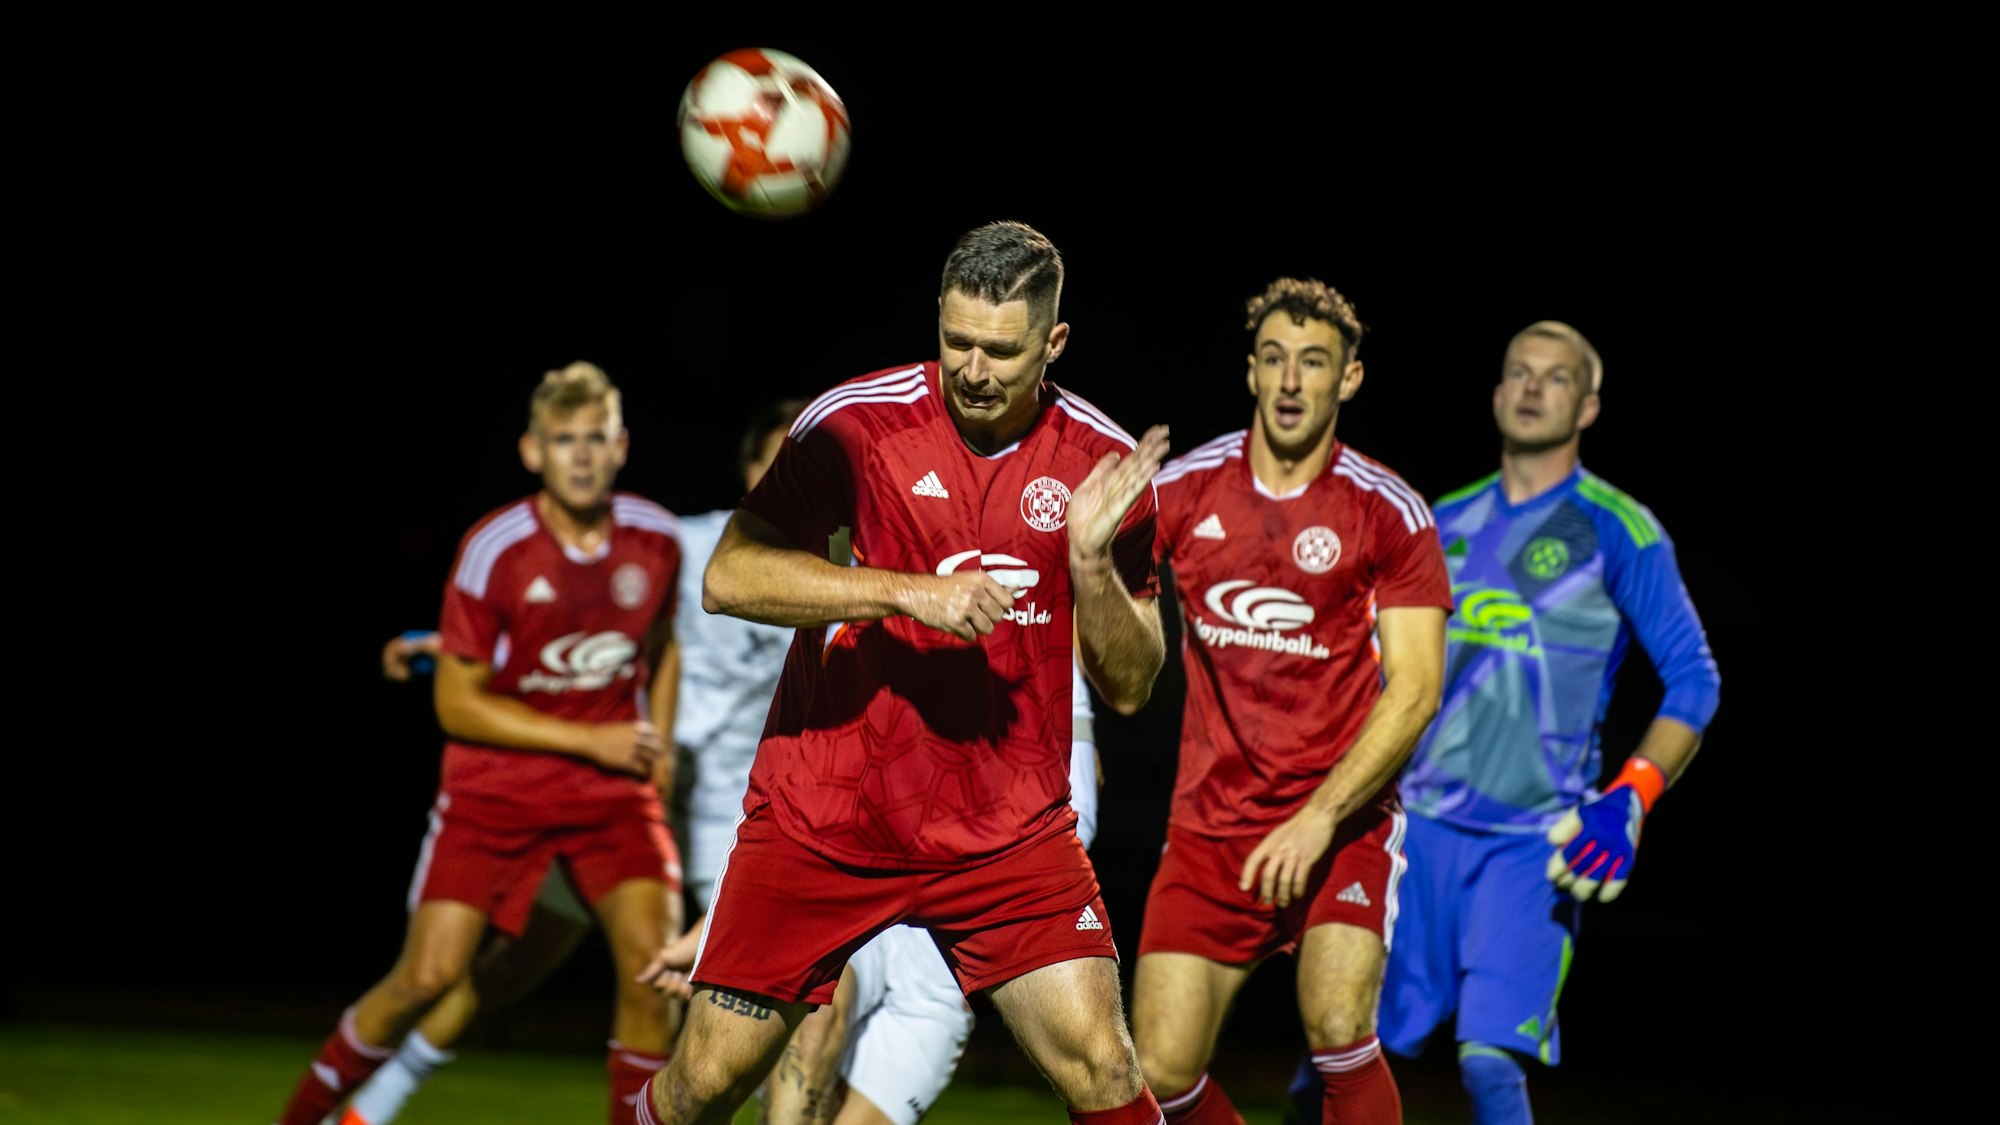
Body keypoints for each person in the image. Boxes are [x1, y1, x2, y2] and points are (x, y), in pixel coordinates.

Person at [637, 219, 1173, 1125]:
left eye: (1002, 351)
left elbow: (1132, 682)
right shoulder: (855, 425)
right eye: (956, 340)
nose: (973, 368)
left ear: (1055, 342)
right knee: (702, 1083)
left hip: (1005, 829)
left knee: (1105, 1070)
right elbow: (730, 576)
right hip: (826, 817)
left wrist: (1089, 567)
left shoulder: (1099, 464)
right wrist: (904, 593)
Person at [1284, 321, 1722, 1124]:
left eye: (1554, 377)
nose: (1530, 387)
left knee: (1490, 1062)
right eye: (1518, 371)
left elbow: (1695, 681)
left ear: (1588, 405)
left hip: (1532, 847)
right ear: (1494, 393)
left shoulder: (1620, 530)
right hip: (1412, 837)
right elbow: (1370, 674)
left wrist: (1632, 795)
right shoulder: (1437, 521)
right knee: (1331, 1057)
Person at [272, 361, 687, 1125]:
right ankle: (304, 1118)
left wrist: (653, 744)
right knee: (428, 975)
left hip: (610, 798)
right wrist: (592, 739)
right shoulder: (495, 545)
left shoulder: (657, 539)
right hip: (497, 788)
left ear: (622, 444)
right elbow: (456, 703)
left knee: (652, 968)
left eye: (597, 437)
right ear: (533, 450)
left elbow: (662, 647)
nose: (583, 454)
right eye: (565, 440)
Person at [1131, 277, 1451, 1125]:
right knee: (1158, 1072)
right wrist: (1089, 560)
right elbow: (1106, 633)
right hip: (1211, 827)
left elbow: (1416, 690)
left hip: (1341, 821)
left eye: (1313, 363)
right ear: (1249, 370)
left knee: (1340, 1023)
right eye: (1274, 358)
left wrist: (1319, 816)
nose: (1290, 381)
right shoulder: (1185, 489)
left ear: (1348, 379)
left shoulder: (1388, 511)